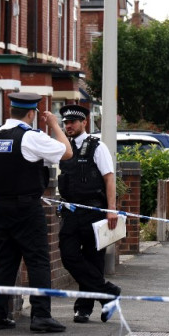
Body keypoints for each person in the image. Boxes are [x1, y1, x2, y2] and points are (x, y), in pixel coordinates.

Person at [0, 92, 72, 333]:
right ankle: (40, 316)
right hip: (26, 207)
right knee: (37, 260)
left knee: (4, 263)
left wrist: (2, 190)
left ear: (11, 110)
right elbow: (67, 152)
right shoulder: (30, 137)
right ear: (31, 113)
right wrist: (55, 126)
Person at [57, 104, 122, 324]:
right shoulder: (63, 148)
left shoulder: (97, 147)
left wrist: (111, 209)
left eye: (73, 122)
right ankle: (108, 293)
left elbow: (109, 178)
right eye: (65, 122)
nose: (69, 126)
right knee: (69, 256)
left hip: (94, 210)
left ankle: (83, 309)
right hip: (70, 210)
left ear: (84, 122)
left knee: (93, 260)